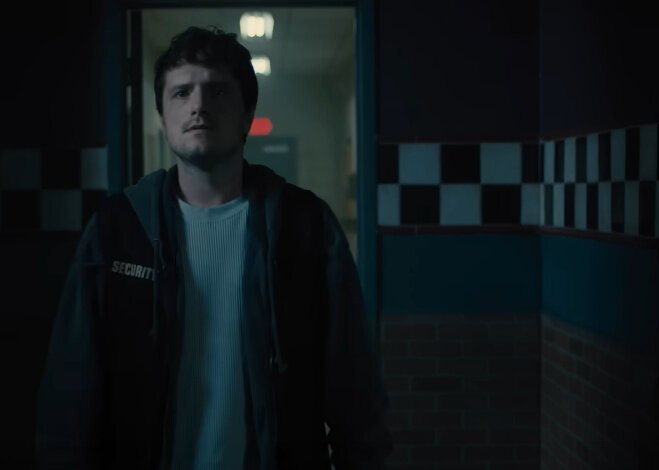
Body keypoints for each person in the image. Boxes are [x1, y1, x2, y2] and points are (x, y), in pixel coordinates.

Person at [36, 25, 392, 469]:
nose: (199, 106)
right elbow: (70, 390)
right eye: (181, 93)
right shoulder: (117, 229)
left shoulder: (305, 226)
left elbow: (354, 388)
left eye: (218, 91)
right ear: (163, 116)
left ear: (247, 116)